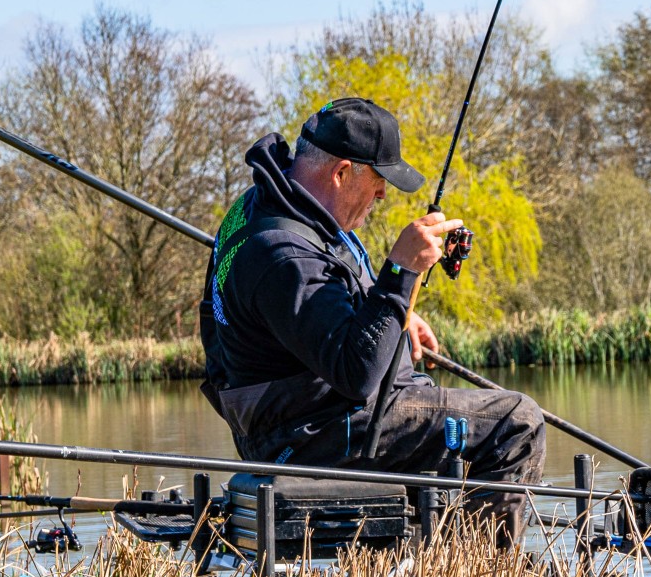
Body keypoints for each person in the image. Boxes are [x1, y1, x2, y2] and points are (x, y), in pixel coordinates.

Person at [196, 96, 545, 529]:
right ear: (341, 173)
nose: (382, 193)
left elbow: (308, 309)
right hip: (310, 434)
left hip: (291, 416)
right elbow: (355, 374)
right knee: (516, 422)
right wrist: (401, 273)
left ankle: (434, 554)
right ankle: (483, 568)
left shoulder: (267, 201)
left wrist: (391, 314)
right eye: (379, 179)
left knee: (452, 413)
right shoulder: (284, 255)